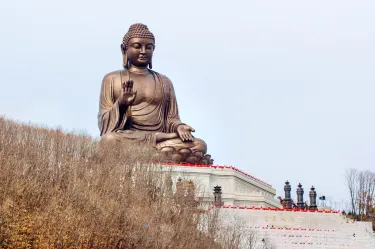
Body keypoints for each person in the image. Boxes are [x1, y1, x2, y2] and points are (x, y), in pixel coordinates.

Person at [98, 24, 211, 164]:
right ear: (124, 49)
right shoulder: (112, 79)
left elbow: (171, 118)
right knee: (109, 140)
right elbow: (104, 125)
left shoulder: (164, 82)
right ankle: (163, 153)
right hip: (131, 138)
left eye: (149, 47)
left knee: (199, 144)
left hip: (163, 141)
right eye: (137, 46)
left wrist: (179, 127)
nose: (143, 51)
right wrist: (121, 104)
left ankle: (155, 152)